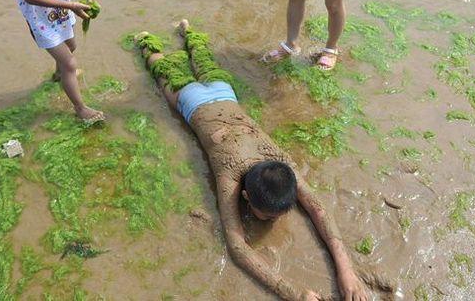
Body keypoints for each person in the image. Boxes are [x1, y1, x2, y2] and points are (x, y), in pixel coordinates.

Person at [131, 23, 374, 301]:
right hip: (193, 101)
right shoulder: (230, 178)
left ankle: (167, 35)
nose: (276, 220)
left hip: (224, 94)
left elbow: (318, 209)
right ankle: (160, 38)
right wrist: (293, 293)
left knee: (192, 65)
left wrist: (347, 273)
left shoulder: (282, 165)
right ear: (245, 195)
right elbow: (237, 248)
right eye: (270, 215)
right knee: (166, 72)